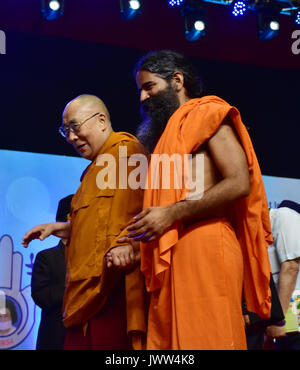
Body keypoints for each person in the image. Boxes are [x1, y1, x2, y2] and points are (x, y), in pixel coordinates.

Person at [119, 50, 273, 350]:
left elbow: (239, 181)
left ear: (177, 80)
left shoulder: (208, 114)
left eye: (149, 86)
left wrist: (170, 214)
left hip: (207, 241)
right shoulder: (168, 135)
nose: (142, 98)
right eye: (140, 89)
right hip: (174, 248)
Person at [23, 94, 147, 350]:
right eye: (65, 130)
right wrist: (66, 228)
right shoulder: (92, 172)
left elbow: (141, 212)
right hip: (86, 296)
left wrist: (130, 244)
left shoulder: (128, 153)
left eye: (75, 127)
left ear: (101, 120)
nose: (70, 137)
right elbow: (101, 222)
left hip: (114, 289)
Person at [31, 194, 73, 350]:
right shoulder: (46, 257)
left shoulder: (95, 256)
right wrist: (75, 287)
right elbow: (41, 296)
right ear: (69, 216)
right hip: (55, 338)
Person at [266, 200, 300, 350]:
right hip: (284, 321)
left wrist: (278, 320)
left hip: (291, 318)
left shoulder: (282, 216)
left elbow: (291, 268)